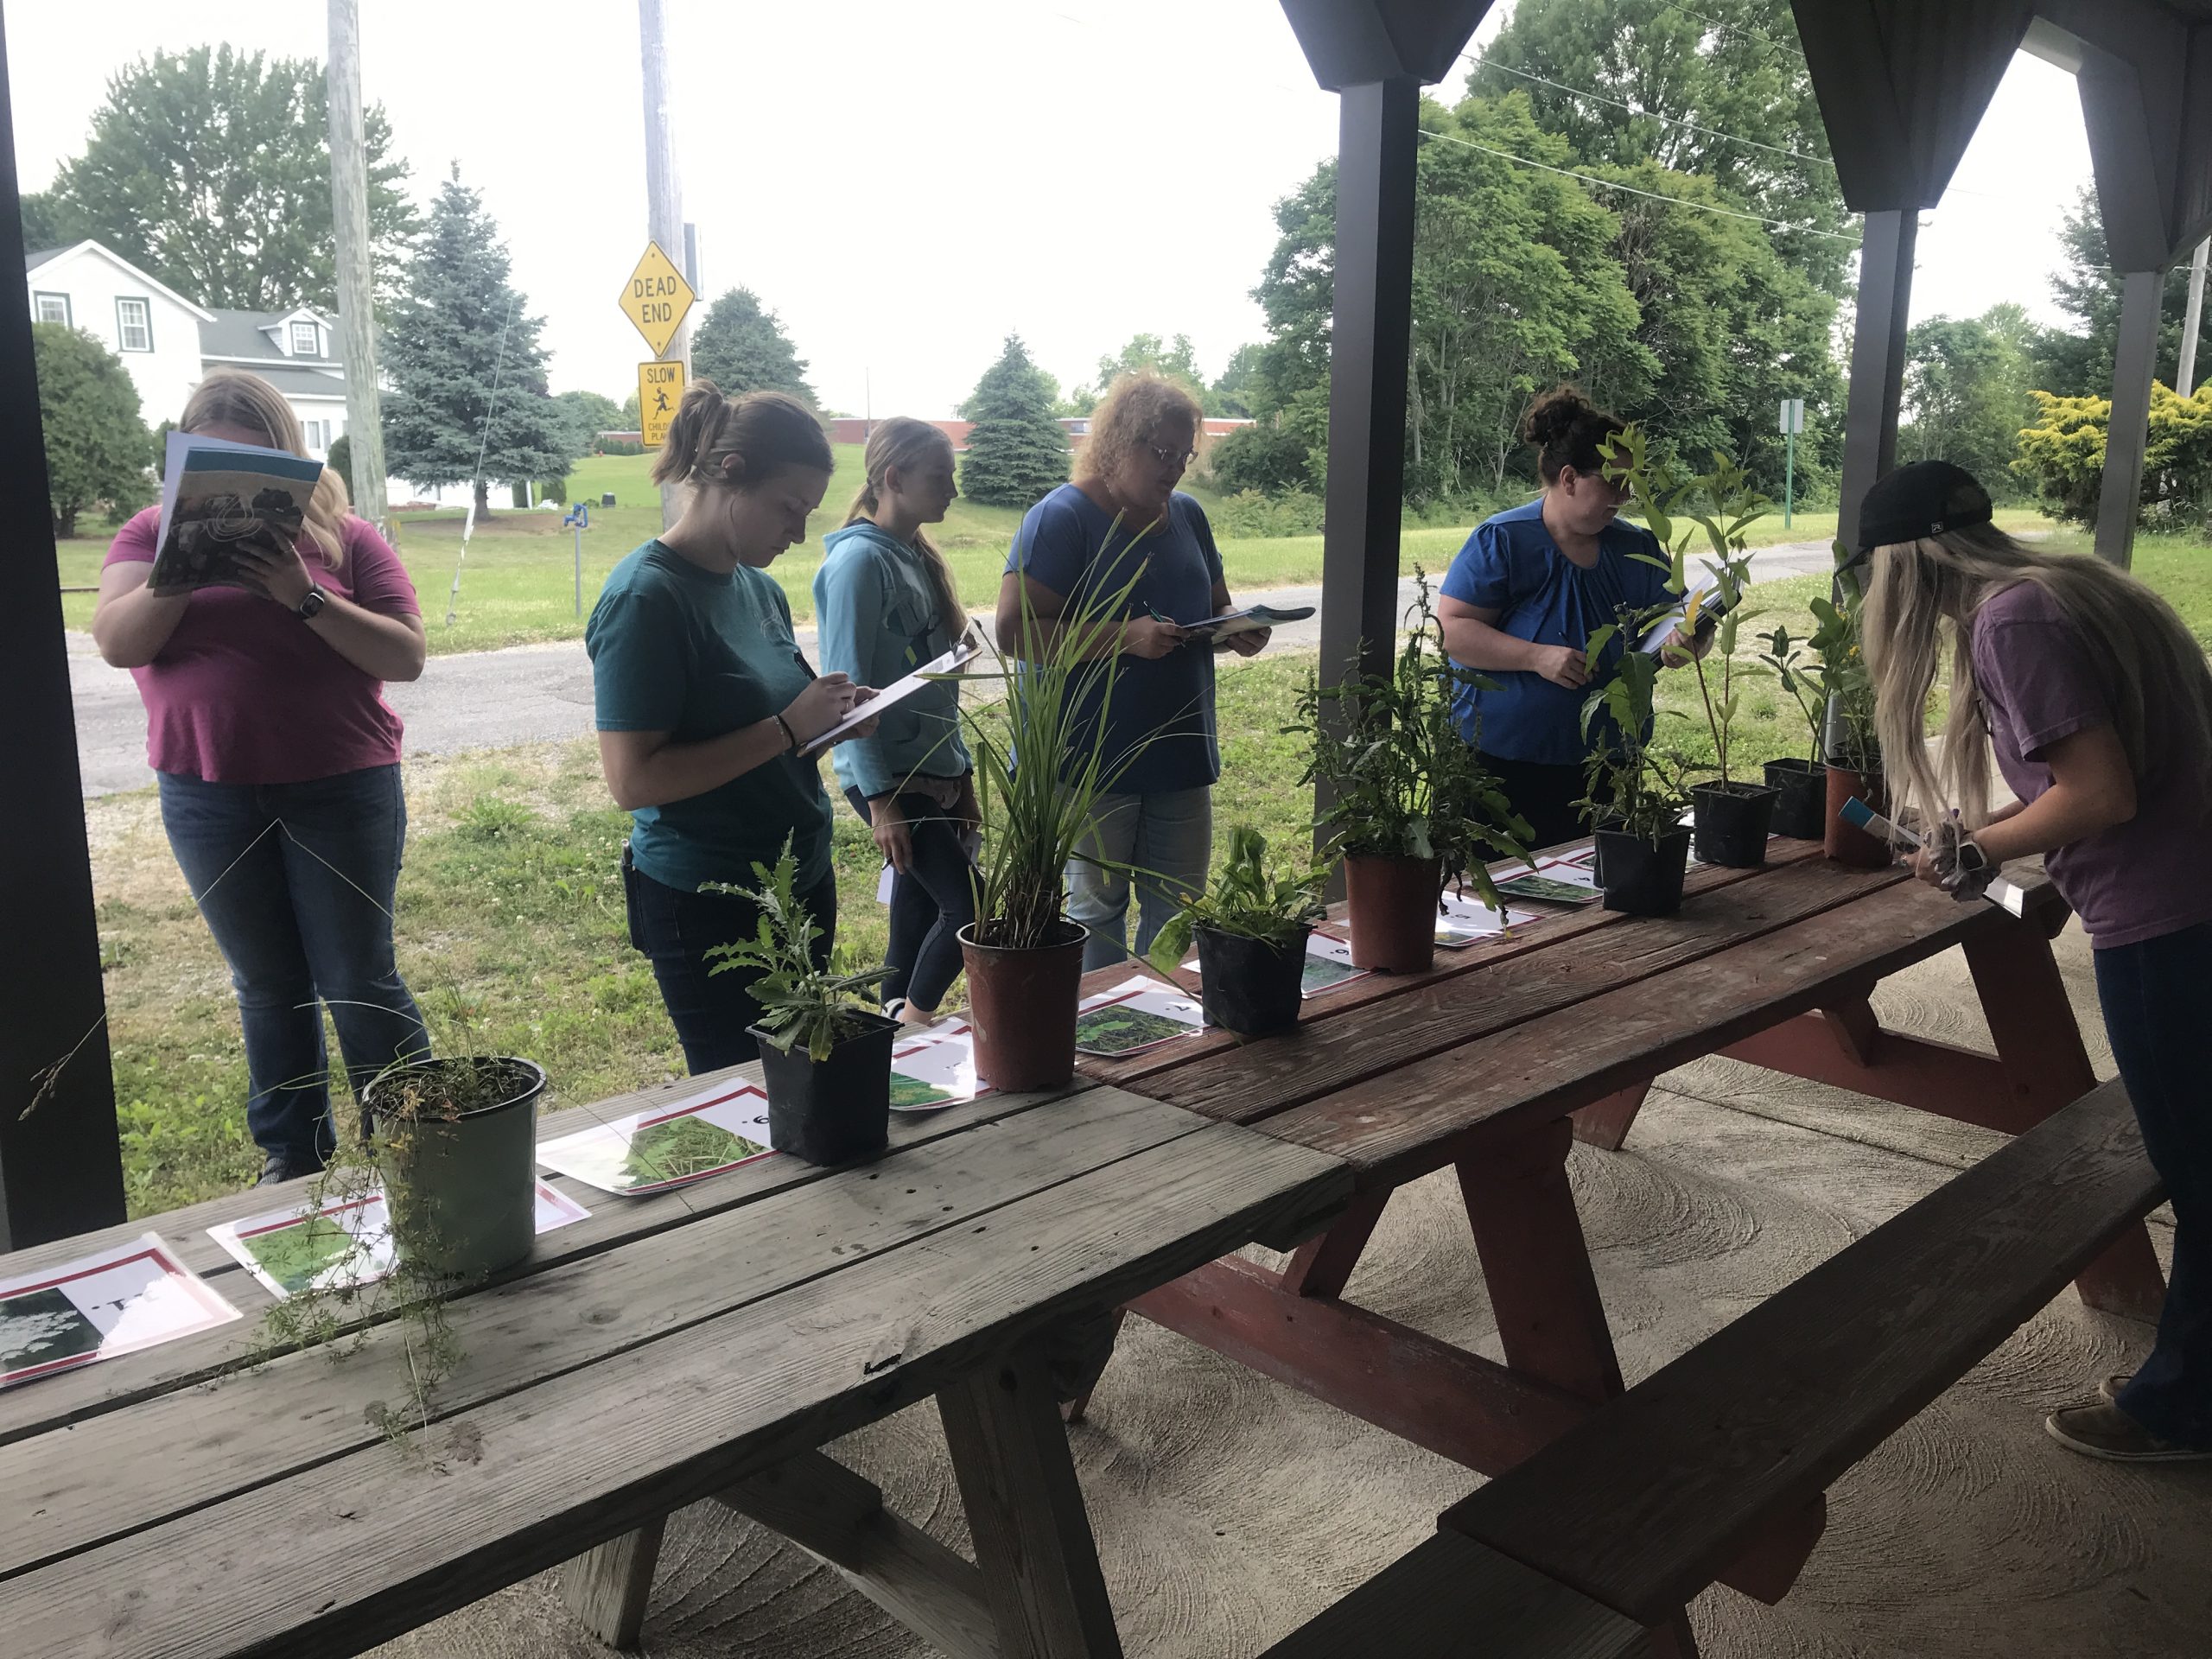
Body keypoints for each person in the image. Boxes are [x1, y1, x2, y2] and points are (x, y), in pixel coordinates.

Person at [1859, 458, 2212, 1463]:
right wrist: (1987, 833)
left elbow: (2100, 795)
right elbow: (2095, 779)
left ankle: (2178, 1411)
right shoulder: (2077, 589)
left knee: (2198, 1171)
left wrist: (1979, 851)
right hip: (2191, 902)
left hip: (2166, 925)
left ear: (1904, 566)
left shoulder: (2009, 623)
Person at [92, 369, 430, 1185]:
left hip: (340, 786)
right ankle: (294, 1160)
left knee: (355, 976)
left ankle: (420, 1143)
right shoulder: (145, 536)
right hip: (208, 793)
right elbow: (117, 642)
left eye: (250, 468)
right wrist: (178, 571)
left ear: (286, 464)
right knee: (267, 982)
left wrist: (299, 592)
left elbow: (405, 655)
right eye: (210, 466)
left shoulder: (348, 538)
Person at [588, 382, 876, 1074]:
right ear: (729, 475)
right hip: (709, 902)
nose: (799, 532)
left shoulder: (759, 587)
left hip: (800, 878)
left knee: (806, 1080)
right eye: (788, 508)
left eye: (807, 513)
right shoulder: (645, 597)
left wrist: (832, 721)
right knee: (745, 1098)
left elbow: (780, 723)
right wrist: (785, 727)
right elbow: (633, 781)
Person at [997, 373, 1268, 971]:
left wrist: (1235, 626)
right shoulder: (1062, 517)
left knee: (1180, 908)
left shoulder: (1189, 516)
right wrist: (1125, 636)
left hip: (1181, 752)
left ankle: (1164, 1040)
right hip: (1090, 760)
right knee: (1096, 911)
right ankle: (1104, 1035)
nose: (1173, 468)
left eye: (1184, 455)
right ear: (1119, 441)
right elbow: (1016, 632)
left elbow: (1216, 603)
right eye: (1161, 452)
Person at [1436, 386, 1680, 850]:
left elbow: (1677, 617)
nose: (1626, 496)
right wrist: (1536, 657)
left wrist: (1688, 640)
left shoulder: (1637, 546)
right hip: (1501, 768)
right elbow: (1453, 630)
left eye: (1633, 482)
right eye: (1613, 482)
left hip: (1609, 763)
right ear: (1569, 478)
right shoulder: (1504, 539)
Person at [814, 418, 978, 1027]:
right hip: (889, 773)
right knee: (970, 907)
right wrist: (881, 799)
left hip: (932, 767)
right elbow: (847, 687)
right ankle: (917, 1019)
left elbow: (937, 690)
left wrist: (961, 780)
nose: (952, 490)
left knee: (916, 907)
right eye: (941, 477)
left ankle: (890, 1023)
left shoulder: (914, 556)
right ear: (894, 478)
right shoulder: (859, 564)